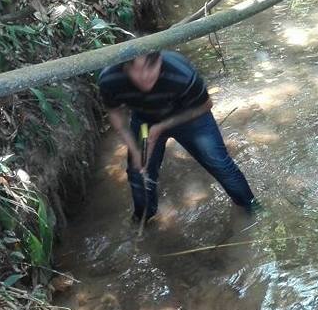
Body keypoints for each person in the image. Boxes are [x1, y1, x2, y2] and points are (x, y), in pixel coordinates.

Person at [98, 49, 257, 221]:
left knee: (219, 163)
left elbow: (205, 105)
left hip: (190, 117)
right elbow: (115, 114)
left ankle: (251, 208)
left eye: (151, 68)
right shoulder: (110, 79)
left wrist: (162, 126)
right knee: (139, 172)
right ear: (126, 68)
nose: (145, 76)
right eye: (138, 70)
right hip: (145, 123)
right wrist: (134, 150)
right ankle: (143, 219)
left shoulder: (181, 73)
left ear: (160, 60)